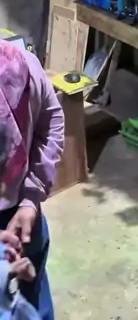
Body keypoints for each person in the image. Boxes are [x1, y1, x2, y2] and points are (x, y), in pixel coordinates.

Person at [0, 41, 64, 320]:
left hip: (21, 210)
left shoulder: (21, 65)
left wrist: (30, 199)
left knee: (32, 289)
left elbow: (51, 122)